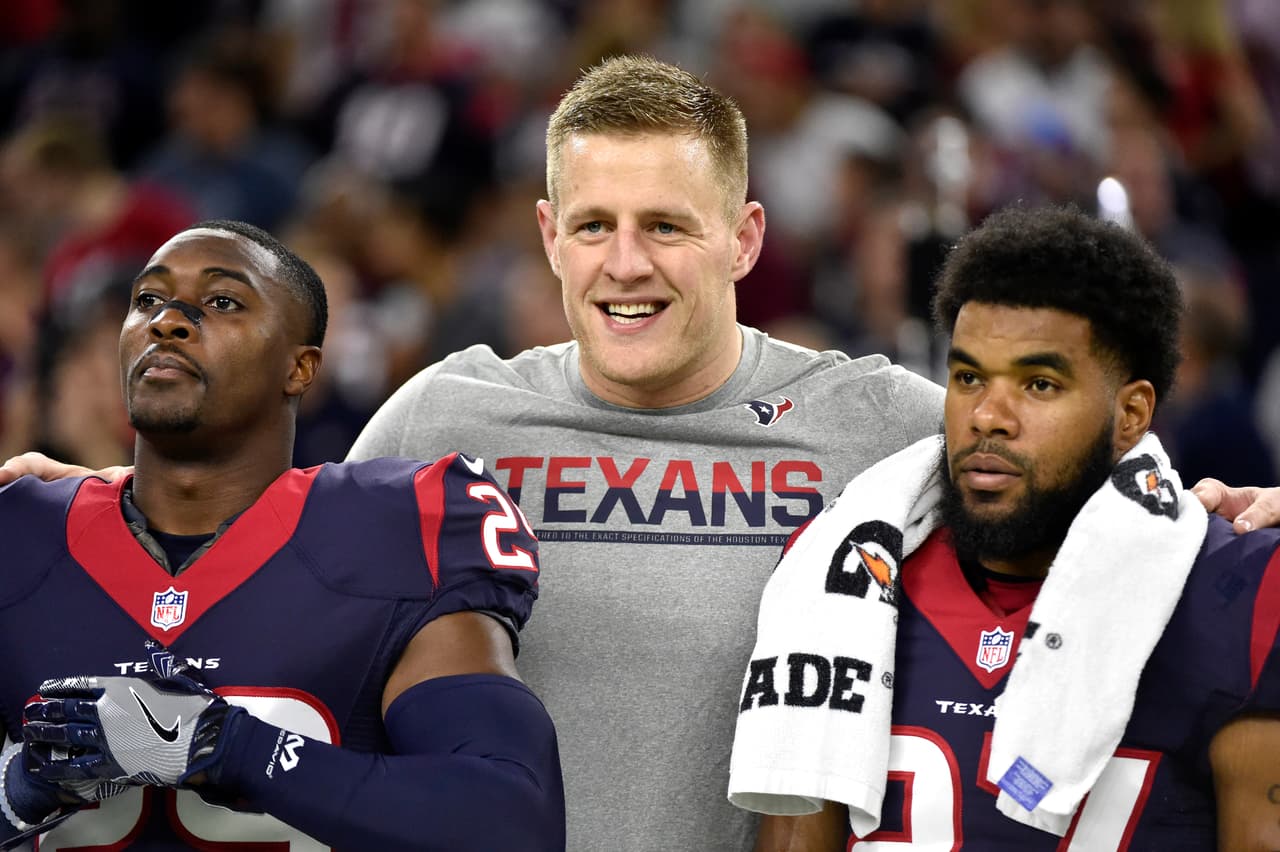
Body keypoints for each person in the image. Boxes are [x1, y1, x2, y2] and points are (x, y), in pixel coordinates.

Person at [3, 56, 1278, 852]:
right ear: (548, 236)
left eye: (668, 224)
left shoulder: (881, 416)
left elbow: (1089, 488)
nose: (626, 264)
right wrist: (89, 497)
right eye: (596, 225)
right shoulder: (442, 417)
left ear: (743, 237)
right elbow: (273, 540)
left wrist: (1217, 506)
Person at [0, 220, 564, 850]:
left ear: (300, 368)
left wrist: (233, 748)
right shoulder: (21, 534)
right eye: (148, 301)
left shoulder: (395, 532)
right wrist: (14, 794)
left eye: (222, 302)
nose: (167, 322)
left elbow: (512, 822)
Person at [732, 205, 1280, 850]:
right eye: (968, 377)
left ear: (1131, 413)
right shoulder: (840, 571)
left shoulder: (1242, 589)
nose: (988, 415)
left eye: (1039, 384)